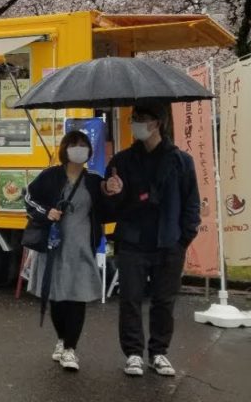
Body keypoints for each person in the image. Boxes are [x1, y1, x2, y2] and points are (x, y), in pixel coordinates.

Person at [103, 101, 200, 378]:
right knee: (130, 300)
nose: (135, 124)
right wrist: (112, 191)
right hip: (133, 242)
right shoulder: (122, 160)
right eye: (133, 118)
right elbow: (111, 207)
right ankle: (133, 353)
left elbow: (191, 202)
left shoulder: (181, 161)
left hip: (169, 242)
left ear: (156, 123)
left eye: (140, 119)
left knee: (163, 301)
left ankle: (158, 353)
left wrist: (184, 237)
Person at [24, 130, 112, 372]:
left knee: (77, 298)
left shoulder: (94, 180)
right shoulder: (50, 176)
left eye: (83, 144)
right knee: (57, 298)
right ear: (65, 148)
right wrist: (46, 212)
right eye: (73, 144)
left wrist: (114, 191)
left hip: (82, 247)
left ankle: (71, 349)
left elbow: (107, 209)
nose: (79, 149)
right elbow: (28, 198)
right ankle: (62, 340)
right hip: (54, 248)